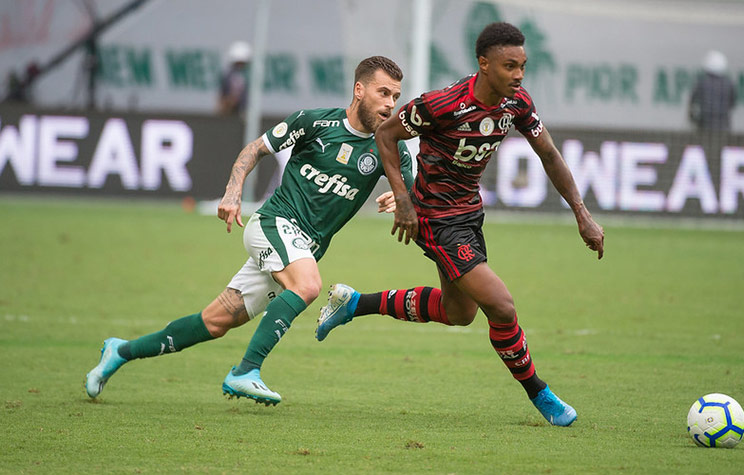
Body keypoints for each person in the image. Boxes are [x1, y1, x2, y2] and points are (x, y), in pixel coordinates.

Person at [316, 23, 604, 426]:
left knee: (459, 312)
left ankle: (354, 303)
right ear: (484, 64)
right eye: (509, 66)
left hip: (468, 213)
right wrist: (404, 201)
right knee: (501, 306)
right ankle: (541, 395)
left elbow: (550, 155)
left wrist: (581, 212)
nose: (518, 75)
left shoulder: (516, 103)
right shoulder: (443, 104)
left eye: (522, 66)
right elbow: (385, 134)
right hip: (434, 217)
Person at [86, 56, 414, 406]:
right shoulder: (314, 122)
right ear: (359, 90)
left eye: (395, 96)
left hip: (300, 250)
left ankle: (120, 351)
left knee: (214, 322)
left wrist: (403, 200)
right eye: (383, 93)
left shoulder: (391, 147)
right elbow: (255, 149)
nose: (390, 104)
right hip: (273, 224)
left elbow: (414, 194)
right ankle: (246, 371)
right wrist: (233, 191)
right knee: (308, 285)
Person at [689, 50, 736, 132]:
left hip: (704, 126)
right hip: (724, 127)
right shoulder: (729, 84)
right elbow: (733, 104)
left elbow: (693, 103)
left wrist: (693, 118)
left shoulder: (702, 82)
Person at [217, 41, 251, 116]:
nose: (240, 66)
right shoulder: (228, 76)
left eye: (242, 63)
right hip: (228, 113)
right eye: (238, 63)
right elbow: (222, 98)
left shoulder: (248, 77)